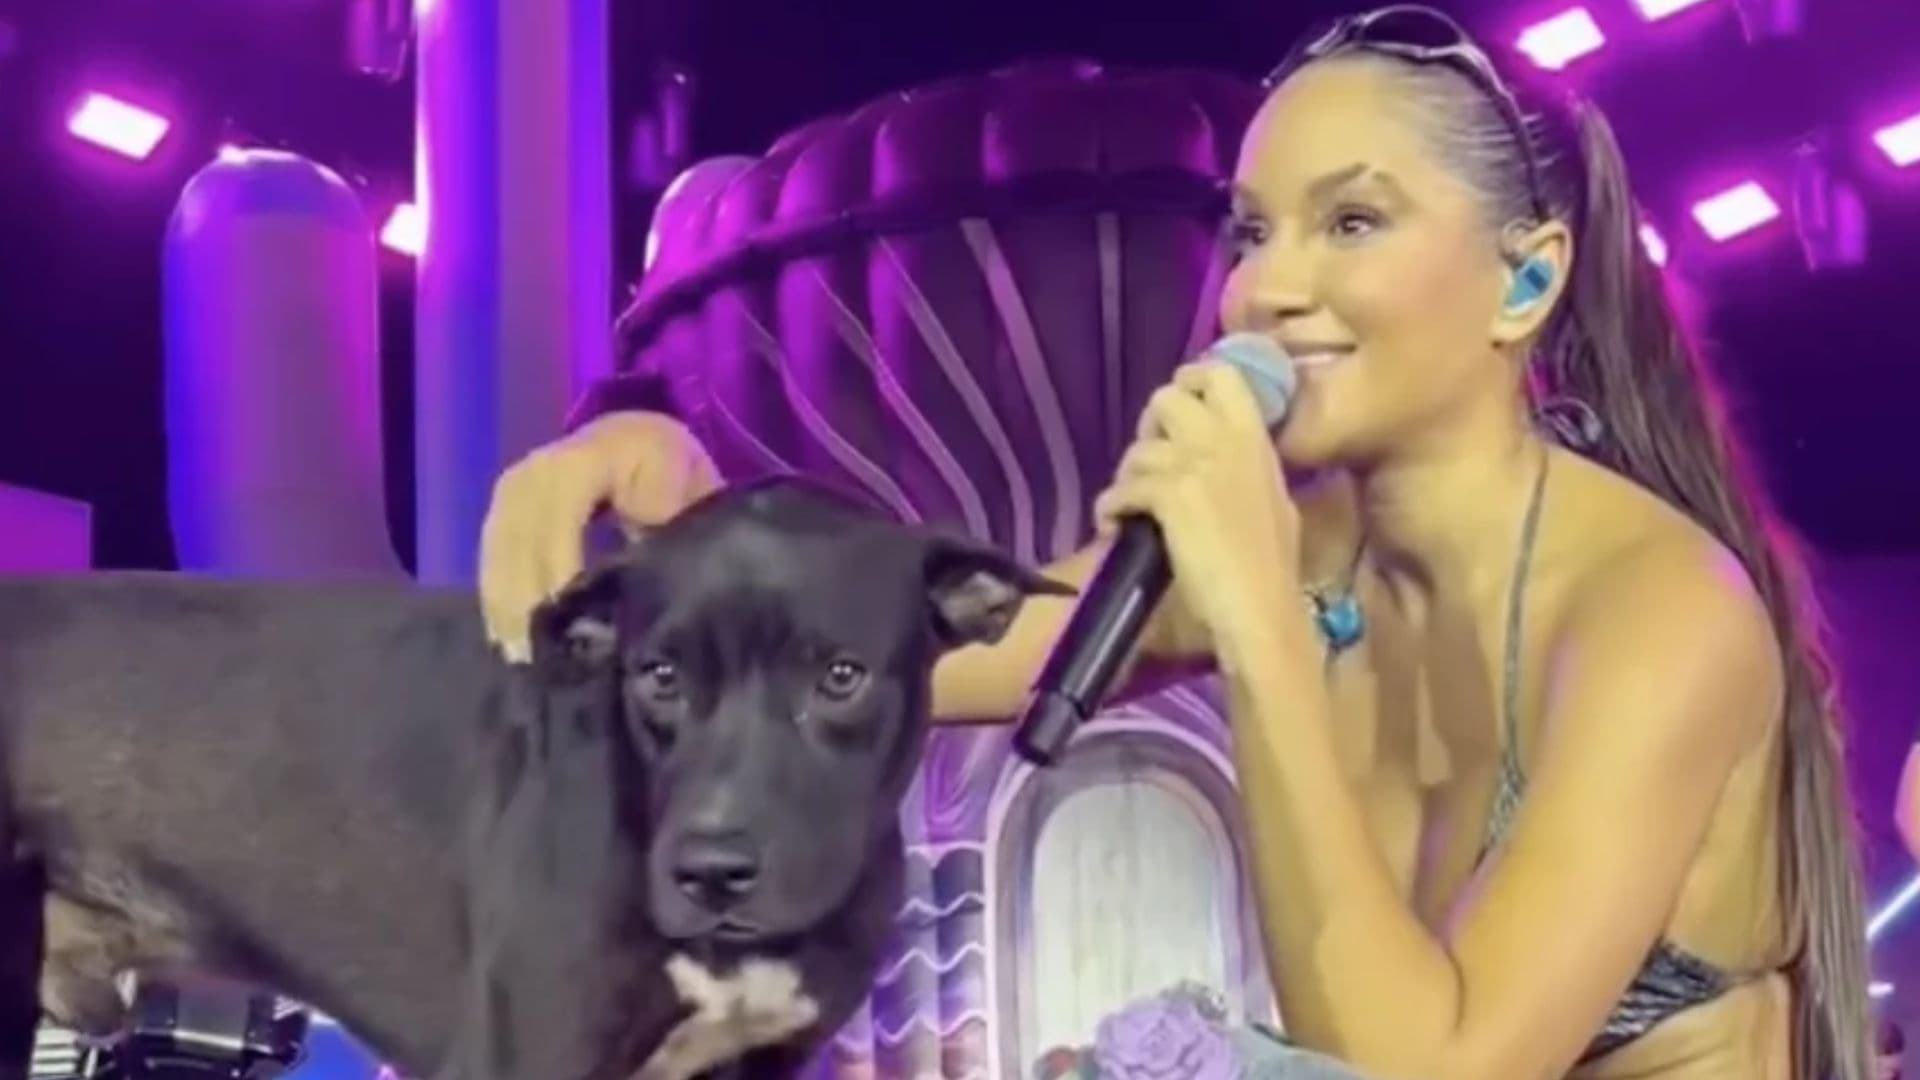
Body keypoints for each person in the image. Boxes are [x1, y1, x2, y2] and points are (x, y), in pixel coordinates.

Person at [476, 5, 1872, 1077]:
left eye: (1353, 222)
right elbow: (957, 645)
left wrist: (1256, 614)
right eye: (1253, 230)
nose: (1269, 288)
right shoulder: (1309, 540)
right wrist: (692, 507)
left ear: (1526, 278)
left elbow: (1436, 1069)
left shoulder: (1661, 613)